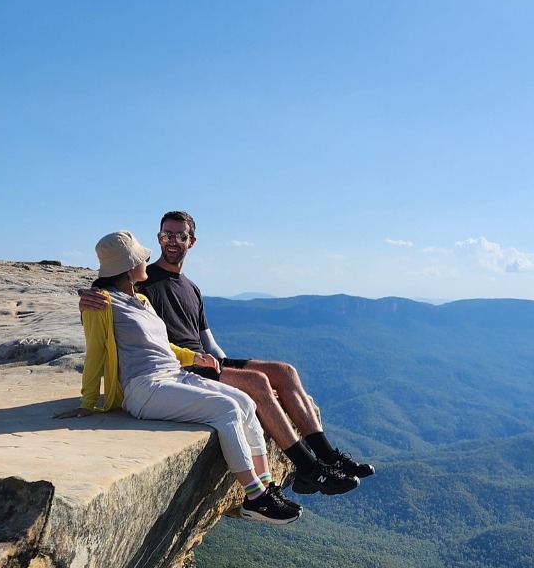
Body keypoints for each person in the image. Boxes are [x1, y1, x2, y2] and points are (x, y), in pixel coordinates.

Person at [80, 210, 374, 497]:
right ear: (158, 239)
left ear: (191, 242)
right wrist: (87, 295)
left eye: (179, 236)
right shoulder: (145, 280)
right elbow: (112, 292)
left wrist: (224, 365)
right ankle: (309, 468)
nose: (171, 241)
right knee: (257, 383)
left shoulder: (191, 287)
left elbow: (208, 339)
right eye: (166, 235)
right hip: (181, 367)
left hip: (204, 360)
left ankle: (328, 456)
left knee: (285, 372)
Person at [55, 230, 301, 525]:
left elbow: (163, 346)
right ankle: (254, 497)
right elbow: (95, 352)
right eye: (141, 257)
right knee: (227, 410)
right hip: (144, 388)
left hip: (174, 375)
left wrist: (194, 357)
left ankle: (266, 486)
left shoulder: (142, 301)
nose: (147, 259)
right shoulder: (102, 303)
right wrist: (88, 401)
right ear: (129, 266)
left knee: (245, 402)